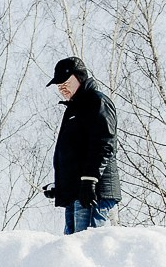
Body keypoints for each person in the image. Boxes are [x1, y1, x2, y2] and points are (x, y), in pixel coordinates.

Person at [45, 56, 121, 233]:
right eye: (58, 84)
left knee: (85, 247)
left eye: (65, 81)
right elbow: (75, 153)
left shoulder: (96, 102)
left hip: (93, 192)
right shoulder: (73, 109)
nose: (61, 87)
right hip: (76, 191)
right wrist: (61, 185)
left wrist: (90, 181)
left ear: (79, 77)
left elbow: (104, 144)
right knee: (70, 250)